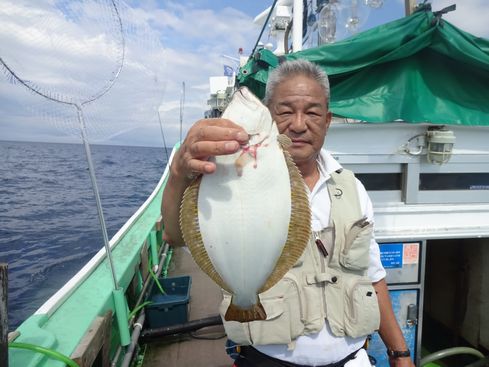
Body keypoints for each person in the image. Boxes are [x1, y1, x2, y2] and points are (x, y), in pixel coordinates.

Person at [162, 59, 415, 367]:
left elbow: (373, 277)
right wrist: (178, 171)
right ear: (268, 116)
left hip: (352, 359)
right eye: (285, 111)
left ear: (327, 120)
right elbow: (174, 236)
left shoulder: (352, 189)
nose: (298, 124)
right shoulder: (226, 176)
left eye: (312, 112)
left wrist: (399, 353)